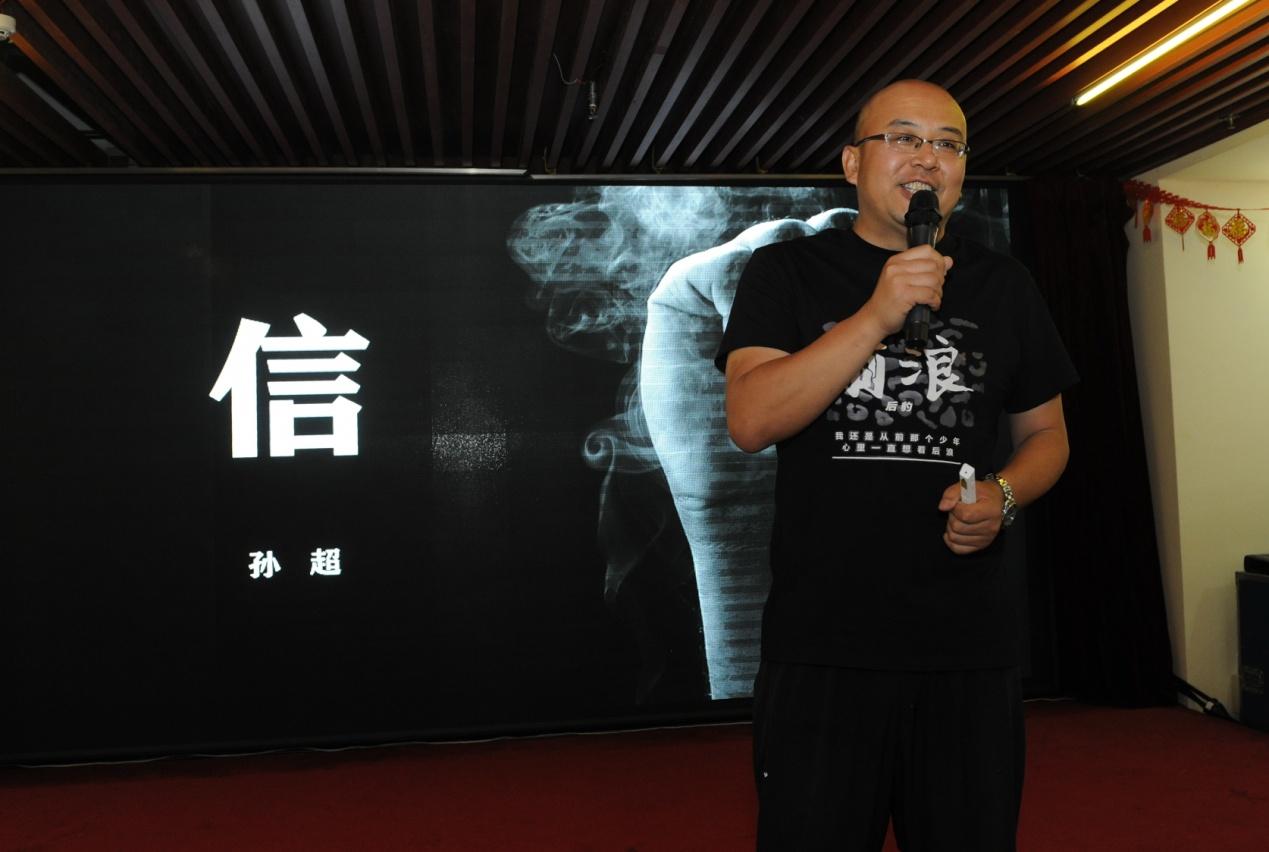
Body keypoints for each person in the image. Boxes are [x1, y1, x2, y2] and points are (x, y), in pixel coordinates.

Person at [715, 80, 1078, 851]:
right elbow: (750, 419)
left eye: (947, 144)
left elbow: (1047, 434)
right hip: (822, 644)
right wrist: (877, 313)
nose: (926, 158)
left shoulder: (1002, 284)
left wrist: (1003, 496)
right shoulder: (784, 272)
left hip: (965, 645)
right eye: (903, 137)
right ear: (852, 162)